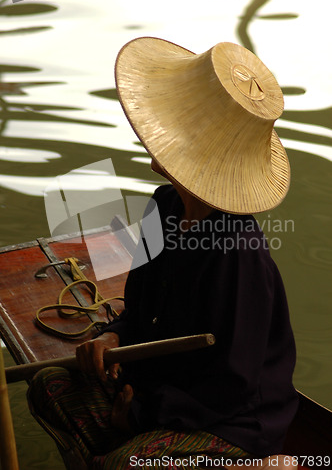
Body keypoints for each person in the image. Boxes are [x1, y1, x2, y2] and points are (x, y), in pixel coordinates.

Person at [28, 37, 299, 469]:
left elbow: (233, 386)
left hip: (230, 423)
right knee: (47, 384)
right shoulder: (165, 203)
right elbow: (138, 311)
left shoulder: (238, 251)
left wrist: (142, 412)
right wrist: (112, 336)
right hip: (159, 388)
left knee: (124, 462)